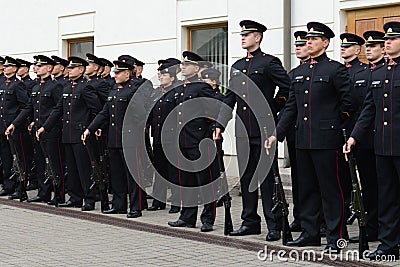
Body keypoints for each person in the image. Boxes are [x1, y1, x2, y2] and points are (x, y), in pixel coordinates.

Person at [266, 22, 355, 253]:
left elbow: (348, 103)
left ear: (325, 43)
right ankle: (310, 233)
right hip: (303, 141)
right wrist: (277, 133)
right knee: (306, 190)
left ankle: (336, 238)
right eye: (308, 39)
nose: (309, 42)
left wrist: (334, 126)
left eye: (314, 39)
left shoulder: (335, 70)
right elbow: (291, 108)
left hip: (327, 141)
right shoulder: (298, 73)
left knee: (331, 191)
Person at [214, 20, 290, 241]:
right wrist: (220, 124)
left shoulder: (269, 63)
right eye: (242, 35)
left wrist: (273, 106)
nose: (243, 38)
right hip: (243, 130)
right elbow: (229, 98)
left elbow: (287, 88)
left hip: (264, 129)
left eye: (247, 35)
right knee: (246, 178)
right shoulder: (236, 67)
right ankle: (250, 222)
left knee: (267, 178)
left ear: (258, 37)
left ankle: (273, 224)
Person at [343, 21, 400, 260]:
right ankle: (388, 244)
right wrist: (354, 136)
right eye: (385, 39)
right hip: (383, 146)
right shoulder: (378, 72)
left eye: (392, 39)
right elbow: (369, 109)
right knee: (387, 197)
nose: (386, 42)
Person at [82, 59, 147, 217]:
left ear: (127, 73)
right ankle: (119, 205)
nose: (115, 75)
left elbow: (141, 116)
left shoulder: (133, 91)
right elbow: (104, 113)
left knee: (132, 175)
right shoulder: (113, 91)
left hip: (129, 140)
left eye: (118, 73)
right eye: (115, 72)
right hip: (114, 139)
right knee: (117, 175)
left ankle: (135, 207)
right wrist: (90, 129)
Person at [37, 56, 102, 211]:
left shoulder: (85, 87)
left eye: (72, 68)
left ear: (81, 70)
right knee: (71, 168)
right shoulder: (67, 88)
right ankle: (75, 197)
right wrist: (45, 127)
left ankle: (89, 199)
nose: (69, 70)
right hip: (68, 133)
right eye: (69, 68)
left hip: (81, 134)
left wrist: (92, 127)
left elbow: (97, 109)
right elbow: (57, 110)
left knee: (84, 168)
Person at [168, 51, 222, 232]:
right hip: (182, 142)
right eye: (182, 64)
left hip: (199, 141)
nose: (183, 67)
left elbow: (213, 111)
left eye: (187, 64)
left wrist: (211, 133)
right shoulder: (181, 88)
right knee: (187, 182)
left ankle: (208, 219)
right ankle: (187, 217)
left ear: (197, 68)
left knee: (205, 182)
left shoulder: (201, 87)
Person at [7, 55, 64, 204]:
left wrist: (46, 126)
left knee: (54, 162)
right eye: (36, 66)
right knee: (40, 162)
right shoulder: (37, 87)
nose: (36, 68)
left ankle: (59, 194)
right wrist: (15, 123)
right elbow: (29, 108)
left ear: (49, 68)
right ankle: (43, 192)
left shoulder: (55, 86)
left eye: (40, 65)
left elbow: (58, 109)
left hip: (51, 130)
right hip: (38, 130)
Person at [147, 58, 181, 213]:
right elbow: (150, 113)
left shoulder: (177, 91)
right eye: (159, 74)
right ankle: (158, 200)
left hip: (173, 138)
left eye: (164, 74)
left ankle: (176, 201)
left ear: (172, 77)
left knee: (174, 170)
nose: (160, 76)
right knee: (159, 169)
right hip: (158, 136)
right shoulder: (156, 92)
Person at [284, 30, 310, 233]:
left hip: (316, 134)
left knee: (314, 180)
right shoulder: (292, 74)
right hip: (296, 132)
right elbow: (285, 102)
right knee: (299, 178)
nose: (298, 48)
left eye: (302, 45)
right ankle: (300, 216)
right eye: (297, 45)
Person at [0, 57, 30, 200]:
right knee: (6, 158)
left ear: (15, 68)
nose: (4, 68)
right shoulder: (4, 84)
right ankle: (8, 185)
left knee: (18, 159)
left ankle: (20, 187)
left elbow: (25, 107)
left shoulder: (18, 85)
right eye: (4, 66)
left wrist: (15, 123)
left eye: (8, 66)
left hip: (15, 128)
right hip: (3, 127)